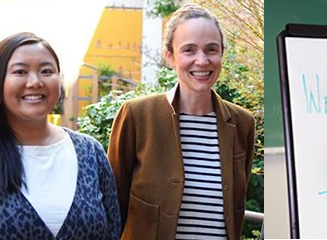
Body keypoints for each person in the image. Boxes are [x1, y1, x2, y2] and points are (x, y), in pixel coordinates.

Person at [0, 32, 121, 239]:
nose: (35, 82)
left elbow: (113, 230)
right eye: (20, 71)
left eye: (46, 71)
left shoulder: (89, 152)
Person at [108, 3, 255, 240]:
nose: (202, 60)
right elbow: (113, 207)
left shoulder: (242, 124)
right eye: (189, 50)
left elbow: (235, 208)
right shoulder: (137, 116)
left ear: (221, 54)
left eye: (211, 49)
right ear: (170, 56)